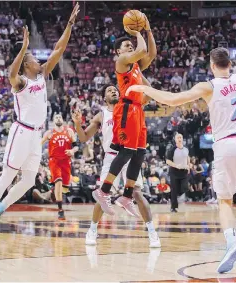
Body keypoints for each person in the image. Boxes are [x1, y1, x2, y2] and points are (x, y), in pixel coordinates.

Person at [126, 47, 236, 274]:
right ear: (230, 64)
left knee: (225, 200)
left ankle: (232, 243)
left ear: (212, 66)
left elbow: (173, 100)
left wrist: (145, 88)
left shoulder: (209, 86)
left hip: (226, 144)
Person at [0, 3, 79, 247]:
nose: (36, 58)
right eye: (31, 57)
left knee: (29, 181)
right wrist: (22, 49)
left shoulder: (42, 75)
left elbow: (59, 48)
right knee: (8, 176)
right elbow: (11, 73)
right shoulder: (19, 81)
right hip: (21, 131)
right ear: (25, 65)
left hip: (35, 135)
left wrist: (70, 24)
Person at [71, 84, 161, 248]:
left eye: (115, 89)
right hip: (111, 157)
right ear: (104, 98)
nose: (113, 91)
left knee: (137, 193)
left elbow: (149, 94)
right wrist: (77, 124)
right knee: (103, 194)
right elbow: (84, 137)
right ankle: (92, 230)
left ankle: (152, 233)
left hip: (129, 154)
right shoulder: (101, 115)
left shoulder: (130, 107)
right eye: (109, 90)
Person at [92, 16, 157, 217]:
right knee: (127, 152)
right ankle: (103, 191)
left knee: (139, 154)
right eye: (127, 45)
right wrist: (137, 32)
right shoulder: (121, 61)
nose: (130, 47)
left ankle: (126, 196)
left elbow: (151, 53)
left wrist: (148, 30)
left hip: (138, 110)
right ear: (119, 51)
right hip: (127, 109)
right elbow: (142, 51)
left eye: (131, 45)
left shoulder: (136, 67)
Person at [41, 114, 78, 220]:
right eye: (56, 117)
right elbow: (39, 143)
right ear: (53, 121)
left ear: (63, 120)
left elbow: (76, 146)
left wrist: (72, 151)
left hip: (66, 161)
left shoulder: (69, 131)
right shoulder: (49, 133)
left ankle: (52, 191)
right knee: (58, 181)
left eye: (60, 117)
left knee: (64, 188)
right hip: (54, 161)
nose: (58, 118)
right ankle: (60, 210)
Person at [165, 133, 189, 212]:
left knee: (185, 187)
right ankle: (173, 207)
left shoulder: (186, 149)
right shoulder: (172, 149)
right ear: (175, 140)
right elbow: (168, 161)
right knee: (174, 190)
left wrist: (188, 166)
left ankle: (178, 194)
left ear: (182, 139)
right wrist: (175, 165)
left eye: (181, 137)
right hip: (174, 172)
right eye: (178, 137)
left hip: (184, 171)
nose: (179, 139)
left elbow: (187, 157)